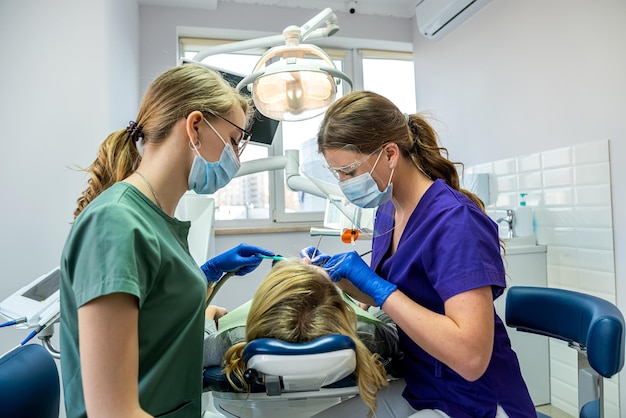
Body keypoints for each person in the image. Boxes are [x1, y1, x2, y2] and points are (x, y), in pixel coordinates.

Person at [301, 91, 536, 417]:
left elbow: (471, 358)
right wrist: (335, 278)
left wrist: (376, 286)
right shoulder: (388, 211)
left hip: (472, 401)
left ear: (390, 154)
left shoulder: (456, 222)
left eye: (350, 172)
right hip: (421, 385)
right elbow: (392, 297)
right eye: (337, 174)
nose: (344, 184)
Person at [59, 64, 275, 418]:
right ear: (194, 127)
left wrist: (200, 297)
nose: (236, 158)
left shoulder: (154, 215)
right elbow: (113, 412)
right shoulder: (116, 223)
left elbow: (149, 309)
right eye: (234, 141)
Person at [204, 261, 393, 416]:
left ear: (262, 306)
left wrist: (208, 313)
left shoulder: (235, 339)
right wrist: (371, 299)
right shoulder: (366, 335)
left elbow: (195, 350)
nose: (306, 261)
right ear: (341, 308)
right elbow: (397, 327)